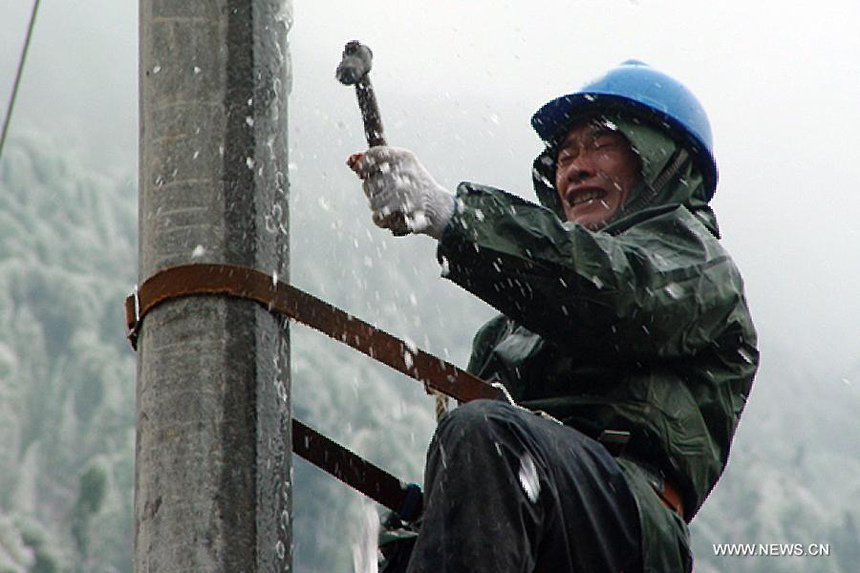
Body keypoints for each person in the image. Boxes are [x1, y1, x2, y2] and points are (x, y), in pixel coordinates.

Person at [349, 60, 758, 572]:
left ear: (663, 164)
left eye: (602, 146)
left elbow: (614, 296)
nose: (575, 168)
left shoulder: (697, 267)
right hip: (545, 499)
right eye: (565, 154)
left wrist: (455, 216)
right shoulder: (511, 327)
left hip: (627, 524)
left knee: (485, 439)